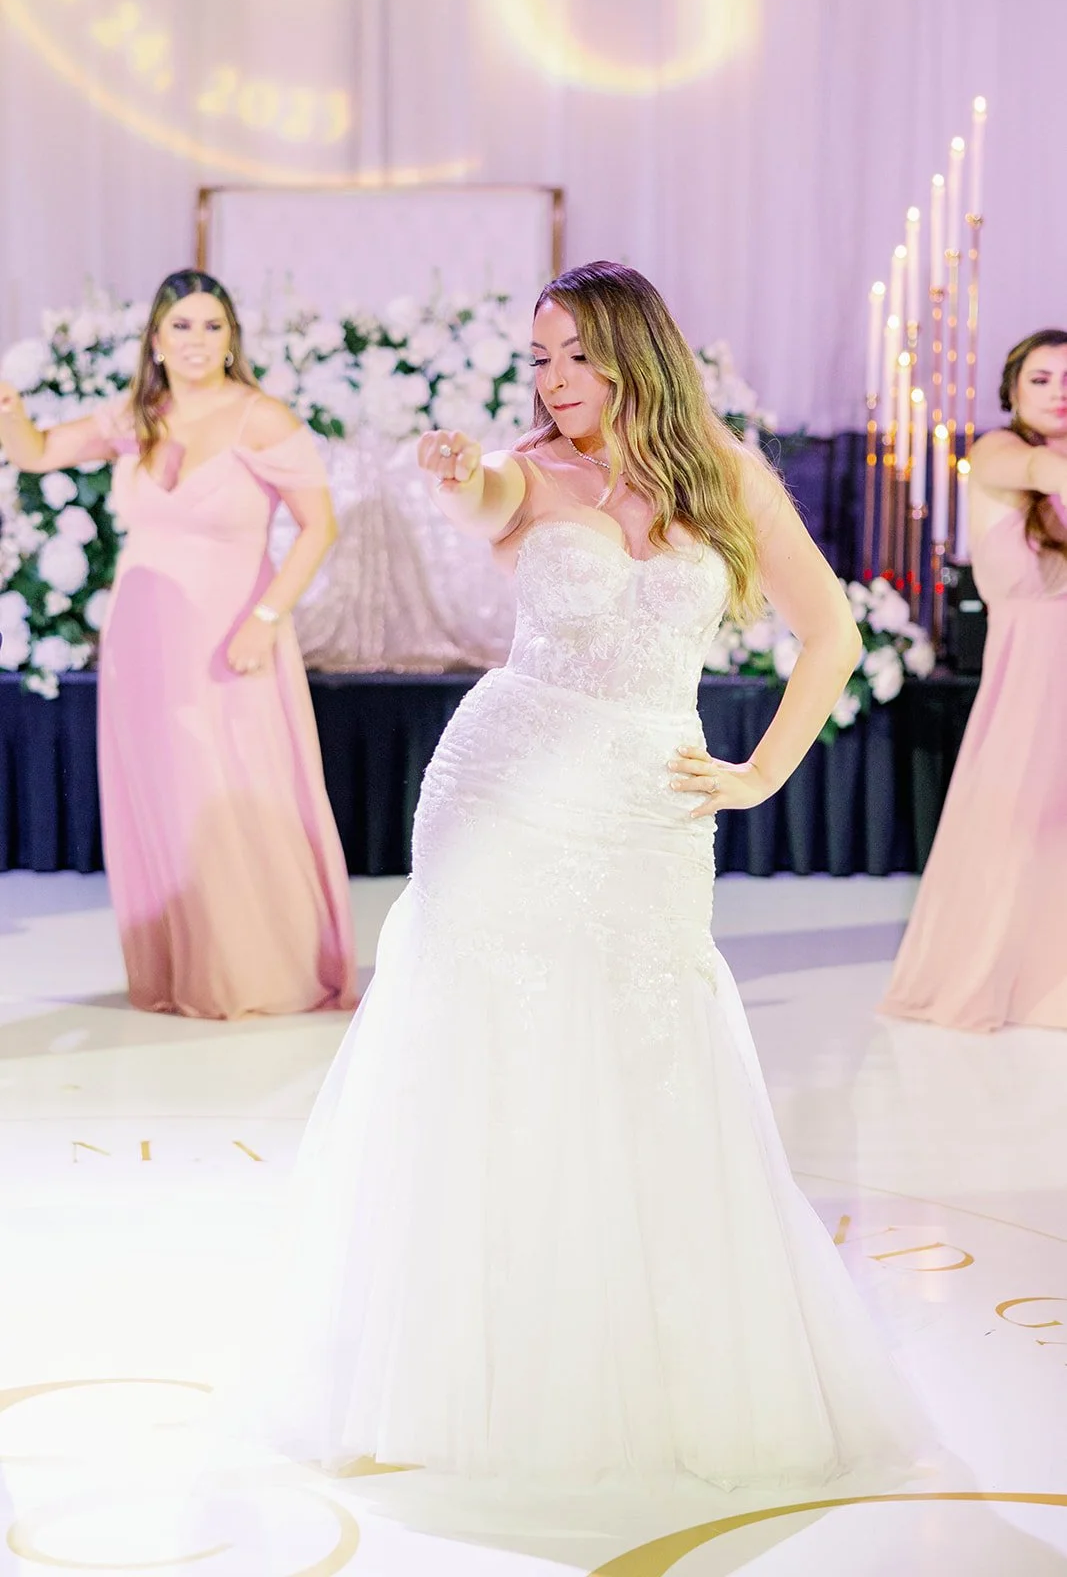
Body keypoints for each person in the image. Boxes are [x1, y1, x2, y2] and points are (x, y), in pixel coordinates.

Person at [252, 262, 921, 1487]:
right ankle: (467, 1349)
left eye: (576, 356)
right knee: (481, 1044)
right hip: (501, 789)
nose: (554, 381)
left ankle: (637, 1349)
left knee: (648, 1049)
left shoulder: (721, 470)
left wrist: (765, 770)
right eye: (540, 357)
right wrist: (465, 476)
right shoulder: (527, 468)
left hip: (645, 808)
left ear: (634, 355)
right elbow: (484, 492)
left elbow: (826, 633)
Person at [0, 269, 356, 1019]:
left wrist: (265, 620)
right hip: (142, 637)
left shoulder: (260, 417)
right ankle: (180, 969)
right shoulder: (136, 415)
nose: (197, 340)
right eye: (182, 325)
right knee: (161, 797)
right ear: (155, 340)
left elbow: (319, 527)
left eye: (212, 325)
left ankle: (254, 972)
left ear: (232, 339)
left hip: (231, 637)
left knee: (227, 795)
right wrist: (8, 410)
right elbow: (34, 453)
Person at [883, 330, 1067, 1033]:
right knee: (1016, 822)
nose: (1057, 392)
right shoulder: (997, 451)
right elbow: (1045, 474)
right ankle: (1003, 978)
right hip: (1029, 666)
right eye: (1042, 379)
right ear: (1013, 393)